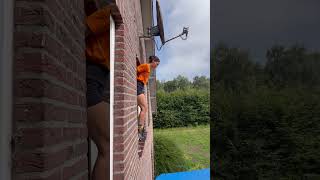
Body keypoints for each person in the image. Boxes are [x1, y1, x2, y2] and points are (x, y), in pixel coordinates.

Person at [85, 5, 110, 180]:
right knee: (106, 147)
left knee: (107, 146)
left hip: (100, 79)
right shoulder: (107, 13)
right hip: (92, 77)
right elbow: (81, 30)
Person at [137, 56, 160, 141]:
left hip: (141, 86)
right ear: (153, 61)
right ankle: (139, 130)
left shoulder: (148, 68)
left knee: (144, 108)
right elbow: (136, 70)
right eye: (157, 64)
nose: (156, 66)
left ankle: (140, 129)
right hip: (139, 85)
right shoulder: (146, 66)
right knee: (144, 108)